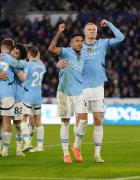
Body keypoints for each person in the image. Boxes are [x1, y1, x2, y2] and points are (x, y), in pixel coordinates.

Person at [57, 19, 125, 163]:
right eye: (89, 29)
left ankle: (97, 154)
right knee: (81, 121)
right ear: (84, 32)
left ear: (97, 32)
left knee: (98, 120)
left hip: (98, 86)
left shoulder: (102, 44)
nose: (92, 31)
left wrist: (110, 24)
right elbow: (64, 56)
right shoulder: (78, 46)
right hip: (81, 87)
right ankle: (77, 146)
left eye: (94, 29)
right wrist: (59, 63)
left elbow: (121, 38)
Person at [48, 24, 85, 163]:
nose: (80, 43)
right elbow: (51, 49)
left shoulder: (84, 56)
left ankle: (76, 146)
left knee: (84, 121)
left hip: (79, 91)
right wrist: (59, 32)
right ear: (71, 43)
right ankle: (66, 154)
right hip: (64, 91)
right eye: (77, 41)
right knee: (65, 122)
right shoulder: (66, 51)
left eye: (81, 41)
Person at [0, 39, 26, 157]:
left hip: (5, 95)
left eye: (16, 52)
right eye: (13, 50)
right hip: (4, 94)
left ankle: (1, 149)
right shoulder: (8, 61)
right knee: (2, 121)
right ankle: (0, 149)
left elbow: (23, 78)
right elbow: (22, 75)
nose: (13, 52)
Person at [21, 45, 46, 153]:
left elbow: (23, 77)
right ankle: (40, 146)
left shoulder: (28, 65)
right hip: (38, 96)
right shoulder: (41, 66)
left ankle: (27, 142)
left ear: (29, 54)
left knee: (23, 119)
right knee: (38, 122)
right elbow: (38, 58)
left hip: (28, 95)